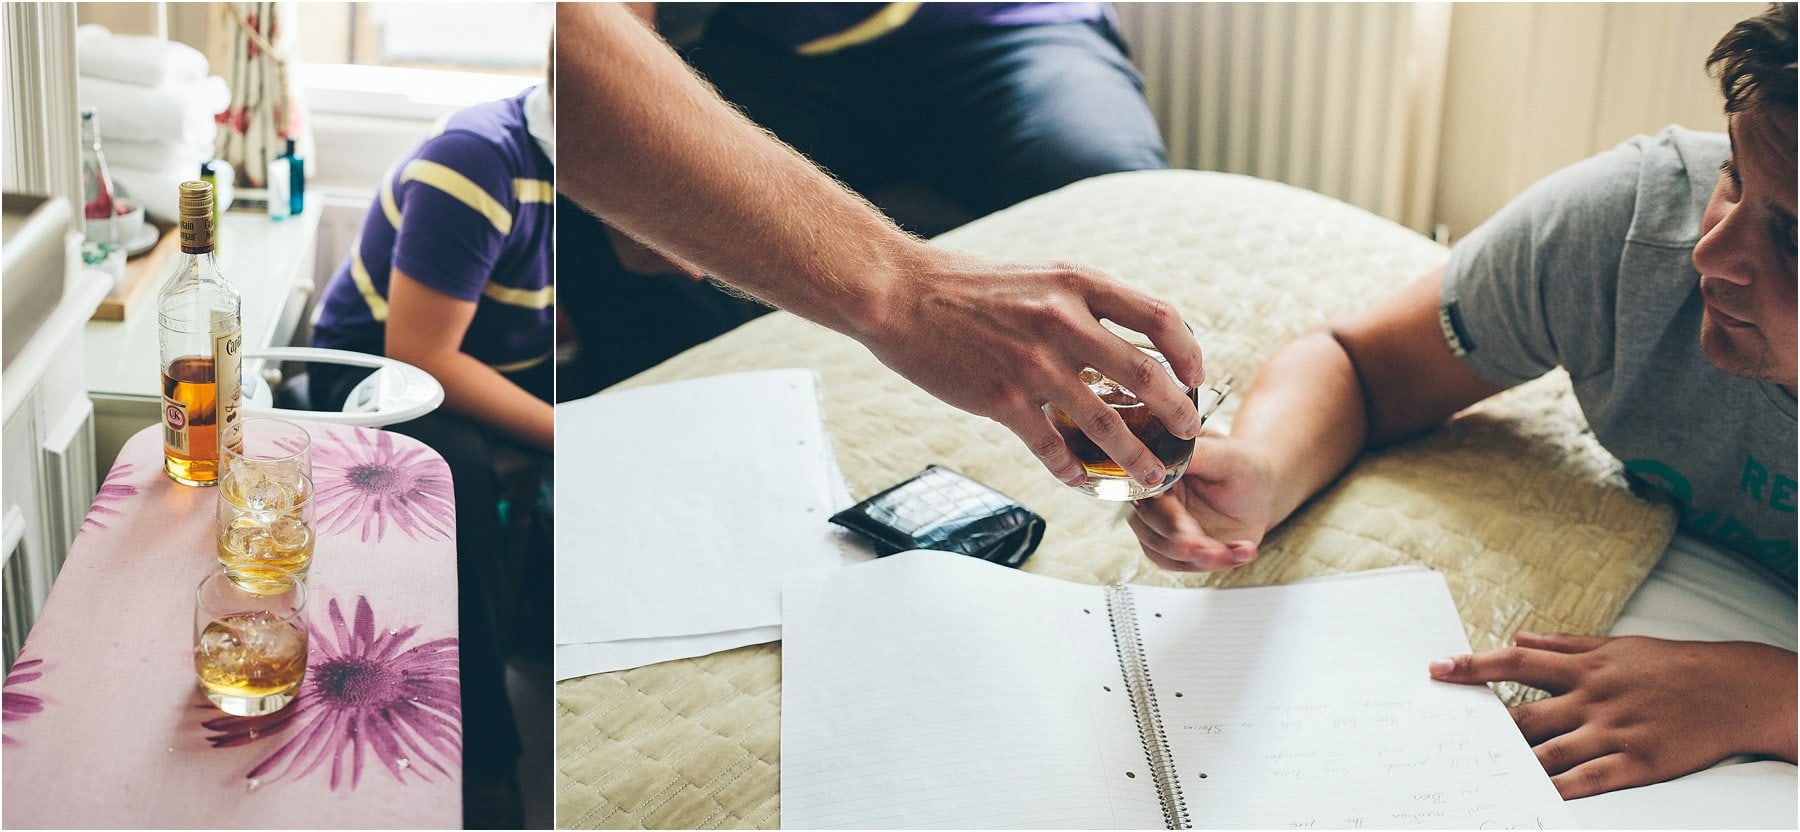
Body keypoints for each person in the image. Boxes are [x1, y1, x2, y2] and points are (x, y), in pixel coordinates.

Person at [1128, 3, 1795, 801]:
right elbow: (1359, 364)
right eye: (1733, 174)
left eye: (1791, 237)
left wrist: (1767, 696)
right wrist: (1267, 471)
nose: (1710, 253)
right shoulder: (1632, 231)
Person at [556, 3, 1205, 492]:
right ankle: (688, 504)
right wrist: (910, 295)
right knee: (625, 248)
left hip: (1004, 24)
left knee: (1116, 196)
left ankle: (1176, 470)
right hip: (774, 47)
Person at [307, 69, 554, 827]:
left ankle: (542, 620)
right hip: (379, 376)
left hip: (496, 360)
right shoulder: (474, 161)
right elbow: (420, 357)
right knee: (451, 486)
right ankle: (482, 761)